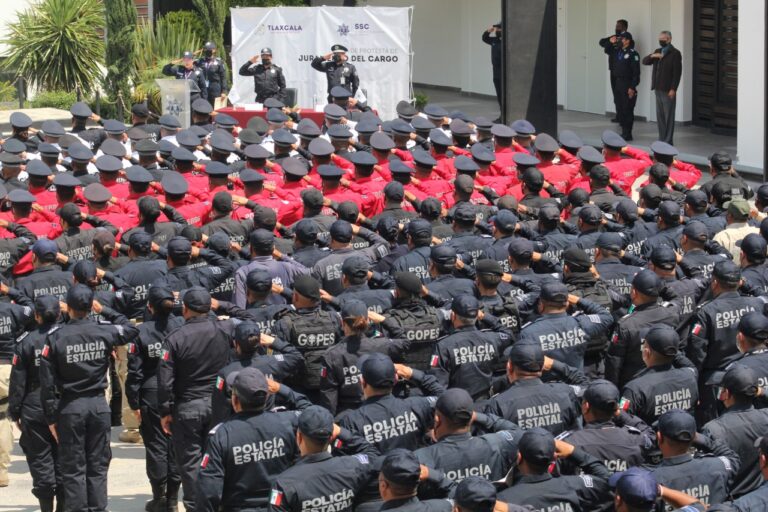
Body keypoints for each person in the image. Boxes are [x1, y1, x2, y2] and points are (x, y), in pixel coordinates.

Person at [39, 284, 140, 512]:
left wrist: (51, 417)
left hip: (70, 407)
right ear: (90, 307)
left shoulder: (56, 337)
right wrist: (104, 310)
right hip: (97, 406)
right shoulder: (104, 331)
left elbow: (47, 383)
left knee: (73, 468)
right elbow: (130, 328)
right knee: (98, 465)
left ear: (68, 308)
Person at [156, 287, 246, 512]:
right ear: (208, 307)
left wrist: (165, 411)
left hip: (188, 408)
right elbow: (250, 320)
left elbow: (165, 381)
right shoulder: (225, 328)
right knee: (218, 460)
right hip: (219, 406)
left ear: (185, 309)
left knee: (190, 464)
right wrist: (222, 305)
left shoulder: (174, 339)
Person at [196, 368, 309, 512]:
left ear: (235, 400)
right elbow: (315, 414)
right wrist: (282, 389)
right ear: (267, 397)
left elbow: (209, 490)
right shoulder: (287, 422)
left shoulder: (222, 435)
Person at [125, 286, 184, 512]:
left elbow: (134, 372)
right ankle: (172, 500)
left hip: (152, 394)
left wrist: (134, 402)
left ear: (149, 307)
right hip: (177, 392)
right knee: (175, 446)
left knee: (156, 447)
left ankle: (160, 498)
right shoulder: (181, 327)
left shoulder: (140, 332)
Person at [268, 405, 378, 512]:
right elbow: (372, 454)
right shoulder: (352, 467)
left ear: (299, 437)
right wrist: (342, 432)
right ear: (331, 437)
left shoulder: (284, 483)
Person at [7, 295, 57, 508]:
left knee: (40, 460)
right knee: (65, 459)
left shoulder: (26, 342)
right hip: (62, 403)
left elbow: (18, 381)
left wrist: (15, 411)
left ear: (36, 316)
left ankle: (46, 507)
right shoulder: (66, 336)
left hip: (34, 405)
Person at [496, 428, 611, 511]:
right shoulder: (574, 486)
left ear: (519, 458)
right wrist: (572, 451)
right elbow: (605, 479)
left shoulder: (502, 501)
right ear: (554, 458)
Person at [650, 409, 740, 509]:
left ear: (659, 437)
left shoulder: (651, 481)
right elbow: (732, 457)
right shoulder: (719, 466)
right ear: (693, 437)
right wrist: (701, 439)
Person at [702, 365, 768, 498]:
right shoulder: (765, 417)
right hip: (761, 495)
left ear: (726, 393)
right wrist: (762, 392)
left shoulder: (713, 429)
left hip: (732, 500)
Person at [642, 31, 683, 144]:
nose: (660, 41)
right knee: (660, 116)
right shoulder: (658, 51)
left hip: (668, 89)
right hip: (658, 88)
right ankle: (662, 138)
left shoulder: (675, 53)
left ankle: (668, 140)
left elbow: (677, 73)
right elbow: (644, 61)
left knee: (668, 116)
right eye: (659, 38)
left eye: (663, 39)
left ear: (669, 39)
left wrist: (673, 89)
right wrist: (652, 55)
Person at [599, 19, 630, 123]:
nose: (617, 28)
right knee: (616, 94)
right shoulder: (614, 37)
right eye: (616, 26)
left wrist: (615, 42)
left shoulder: (628, 38)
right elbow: (602, 43)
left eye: (619, 26)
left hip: (623, 72)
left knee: (623, 95)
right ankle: (619, 116)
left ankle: (624, 117)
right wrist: (610, 41)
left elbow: (624, 47)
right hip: (613, 70)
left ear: (624, 28)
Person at [613, 32, 641, 141]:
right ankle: (623, 132)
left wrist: (632, 87)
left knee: (627, 109)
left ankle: (628, 133)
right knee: (620, 107)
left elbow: (636, 73)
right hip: (618, 83)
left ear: (628, 40)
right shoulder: (619, 52)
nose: (620, 40)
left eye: (622, 39)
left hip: (627, 84)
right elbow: (607, 49)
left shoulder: (633, 54)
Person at [482, 22, 503, 115]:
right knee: (499, 95)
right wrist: (488, 31)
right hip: (496, 73)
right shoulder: (494, 40)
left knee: (504, 96)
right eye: (496, 28)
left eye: (499, 28)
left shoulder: (507, 42)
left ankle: (505, 116)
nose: (497, 30)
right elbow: (484, 38)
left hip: (504, 72)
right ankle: (502, 115)